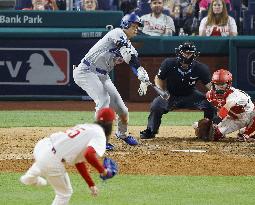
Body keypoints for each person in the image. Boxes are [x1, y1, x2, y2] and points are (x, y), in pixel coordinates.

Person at [73, 13, 150, 148]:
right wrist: (138, 70)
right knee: (103, 100)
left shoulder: (130, 47)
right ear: (125, 25)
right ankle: (98, 139)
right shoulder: (117, 32)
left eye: (138, 27)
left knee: (123, 110)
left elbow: (132, 60)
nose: (136, 29)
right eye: (133, 26)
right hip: (86, 71)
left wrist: (141, 74)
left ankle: (122, 134)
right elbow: (128, 54)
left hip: (103, 75)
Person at [20, 108, 117, 205]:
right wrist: (103, 171)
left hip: (42, 146)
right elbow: (89, 154)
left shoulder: (87, 127)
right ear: (110, 123)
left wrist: (91, 184)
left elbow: (79, 160)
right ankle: (31, 177)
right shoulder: (99, 135)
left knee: (44, 162)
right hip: (51, 161)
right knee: (64, 194)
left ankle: (29, 178)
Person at [140, 42, 216, 139]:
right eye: (185, 53)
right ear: (179, 53)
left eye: (190, 53)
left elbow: (210, 85)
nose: (187, 55)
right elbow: (158, 78)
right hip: (171, 95)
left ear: (194, 54)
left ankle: (209, 131)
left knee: (210, 104)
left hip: (191, 95)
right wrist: (161, 91)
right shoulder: (168, 63)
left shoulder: (200, 68)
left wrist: (216, 96)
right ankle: (151, 131)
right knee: (156, 105)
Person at [206, 69, 255, 142]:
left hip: (250, 115)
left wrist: (215, 122)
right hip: (233, 119)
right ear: (213, 84)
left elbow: (226, 107)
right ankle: (237, 132)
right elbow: (218, 110)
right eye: (217, 84)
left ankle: (245, 133)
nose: (220, 87)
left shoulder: (233, 94)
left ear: (229, 84)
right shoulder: (209, 95)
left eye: (223, 84)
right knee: (213, 135)